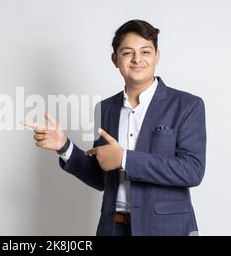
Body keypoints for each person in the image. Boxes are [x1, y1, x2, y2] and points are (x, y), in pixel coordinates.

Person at [22, 20, 206, 236]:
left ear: (157, 56)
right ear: (115, 59)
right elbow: (101, 177)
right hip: (113, 228)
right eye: (128, 53)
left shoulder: (187, 105)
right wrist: (65, 146)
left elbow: (192, 170)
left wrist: (125, 159)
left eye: (145, 51)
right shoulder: (105, 109)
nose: (137, 59)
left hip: (166, 229)